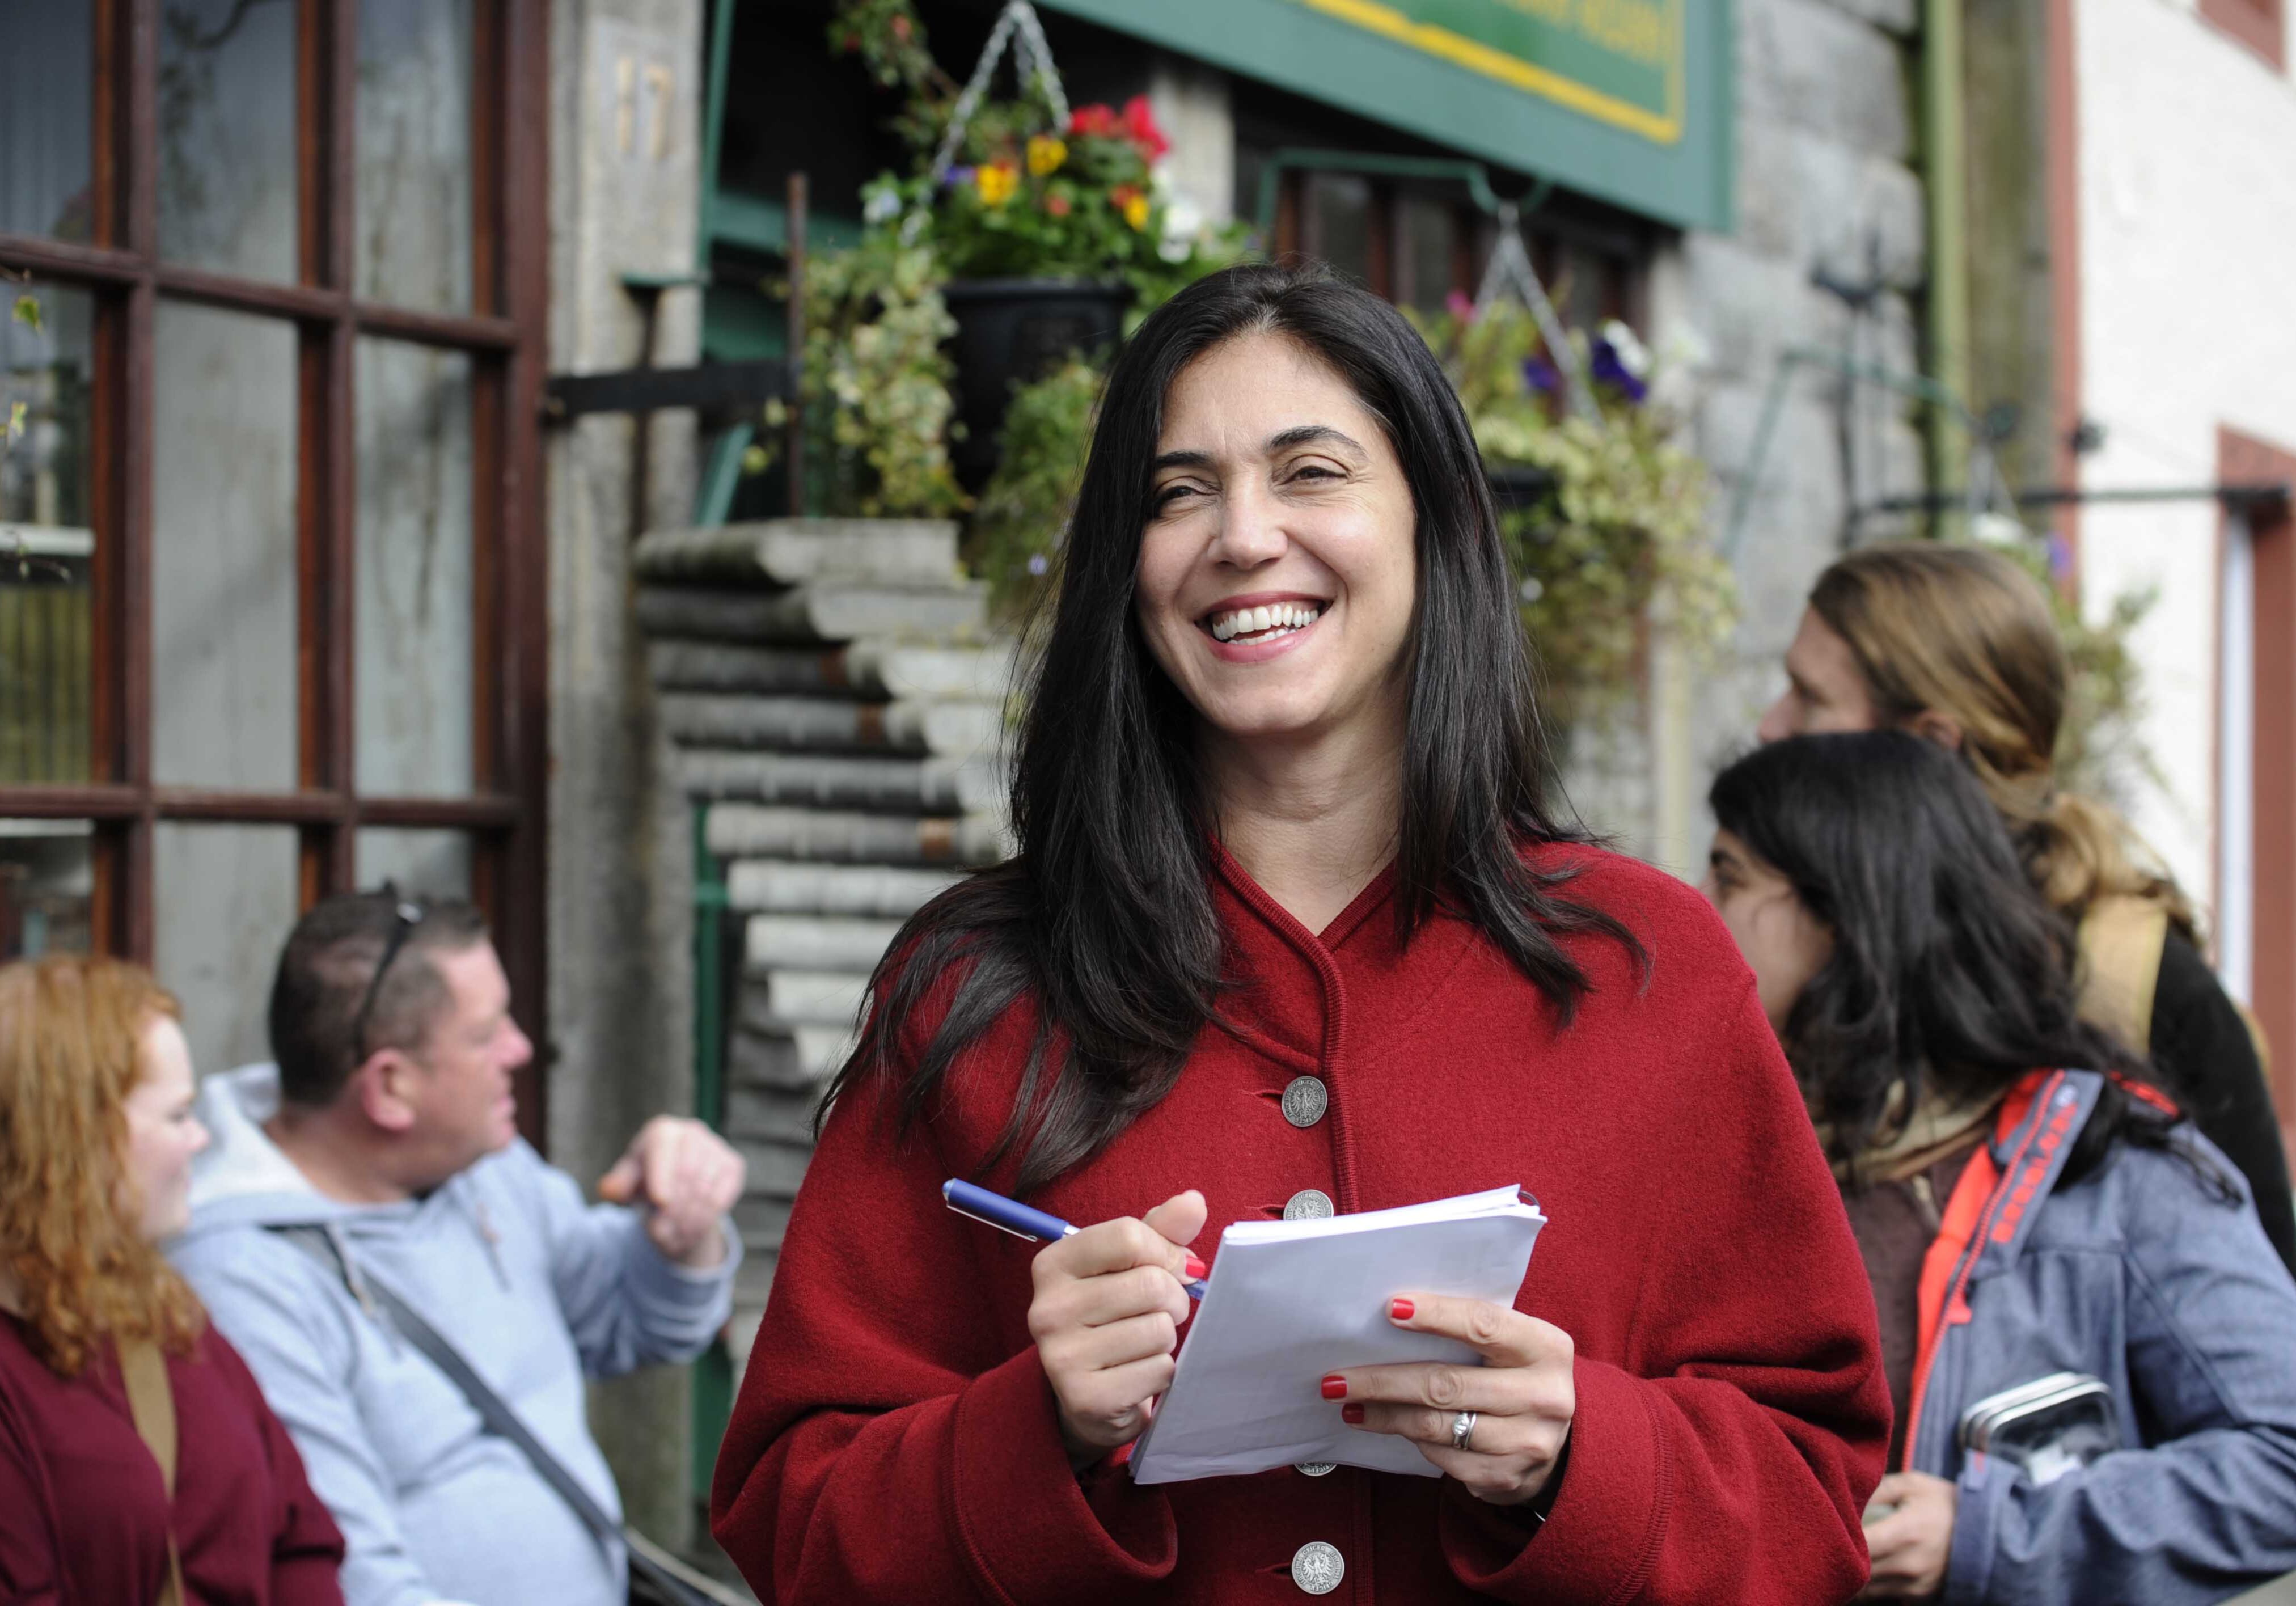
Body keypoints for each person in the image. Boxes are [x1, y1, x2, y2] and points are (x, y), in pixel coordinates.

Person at [711, 263, 1889, 1604]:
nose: (1242, 535)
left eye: (1311, 471)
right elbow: (793, 1528)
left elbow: (1818, 1490)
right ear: (1125, 564)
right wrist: (1030, 1429)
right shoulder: (977, 987)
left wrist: (1580, 1454)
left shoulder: (1645, 965)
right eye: (1177, 491)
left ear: (1434, 522)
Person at [1703, 731, 2296, 1603]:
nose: (1693, 905)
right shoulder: (1727, 1158)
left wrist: (1991, 1534)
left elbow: (2281, 1459)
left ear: (1842, 910)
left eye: (1727, 874)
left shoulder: (2118, 1169)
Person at [168, 892, 747, 1606]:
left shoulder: (483, 1166)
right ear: (390, 1087)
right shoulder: (242, 1278)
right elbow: (348, 1578)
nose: (521, 1048)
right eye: (485, 1033)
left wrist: (683, 1233)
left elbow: (638, 1326)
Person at [1757, 539, 2296, 1275]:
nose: (1770, 726)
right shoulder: (1800, 931)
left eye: (1810, 698)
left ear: (1932, 745)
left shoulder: (2142, 983)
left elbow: (2262, 1298)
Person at [0, 955, 346, 1605]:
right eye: (176, 1115)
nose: (200, 1139)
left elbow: (301, 1539)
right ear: (78, 1137)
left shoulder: (168, 1316)